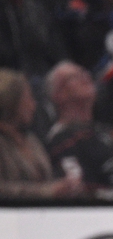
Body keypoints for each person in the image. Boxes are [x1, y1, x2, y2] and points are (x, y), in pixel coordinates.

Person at [44, 61, 113, 200]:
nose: (86, 77)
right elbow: (79, 190)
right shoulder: (61, 141)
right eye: (73, 77)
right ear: (59, 95)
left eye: (84, 73)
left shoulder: (108, 131)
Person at [0, 67, 79, 200]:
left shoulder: (31, 140)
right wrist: (47, 192)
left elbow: (48, 180)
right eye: (28, 98)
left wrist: (65, 187)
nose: (33, 105)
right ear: (11, 102)